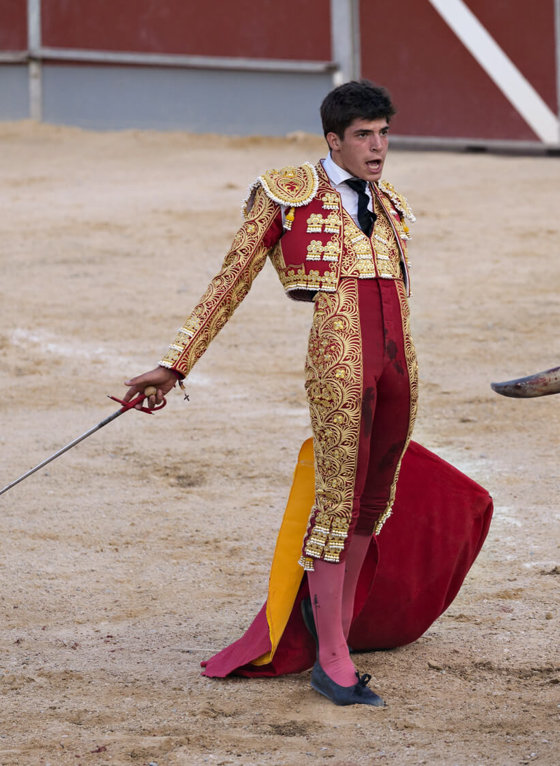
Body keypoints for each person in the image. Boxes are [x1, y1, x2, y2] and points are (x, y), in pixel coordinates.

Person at [125, 80, 420, 707]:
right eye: (364, 135)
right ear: (333, 141)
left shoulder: (388, 199)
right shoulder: (286, 193)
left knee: (375, 495)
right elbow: (230, 280)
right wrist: (174, 365)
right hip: (340, 353)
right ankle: (331, 656)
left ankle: (333, 623)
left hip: (400, 359)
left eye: (384, 133)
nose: (378, 147)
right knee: (339, 499)